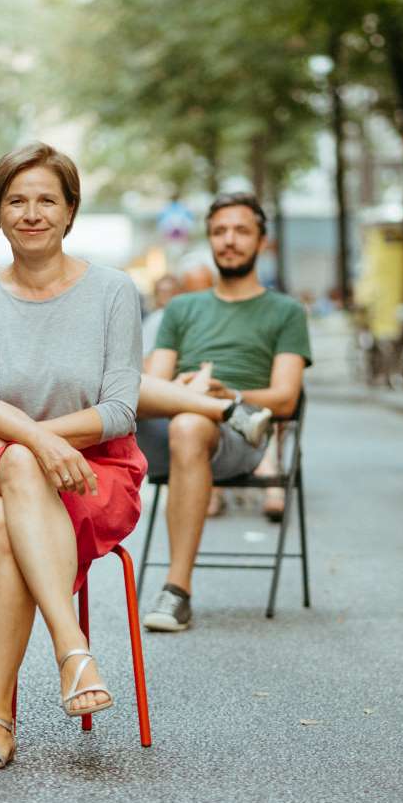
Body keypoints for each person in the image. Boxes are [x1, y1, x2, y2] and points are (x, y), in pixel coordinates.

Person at [0, 142, 145, 772]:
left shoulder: (113, 292)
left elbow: (119, 411)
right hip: (8, 470)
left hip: (97, 473)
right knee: (20, 475)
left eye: (46, 201)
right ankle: (72, 646)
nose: (31, 213)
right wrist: (28, 446)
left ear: (69, 212)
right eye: (16, 201)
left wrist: (24, 438)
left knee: (0, 521)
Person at [135, 191, 312, 632]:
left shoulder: (286, 311)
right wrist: (188, 391)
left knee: (193, 423)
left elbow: (286, 397)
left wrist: (227, 392)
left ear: (261, 241)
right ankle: (207, 407)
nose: (228, 240)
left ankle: (176, 591)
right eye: (219, 231)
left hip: (243, 433)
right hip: (174, 427)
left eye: (240, 231)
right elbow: (151, 384)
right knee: (172, 409)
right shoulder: (181, 307)